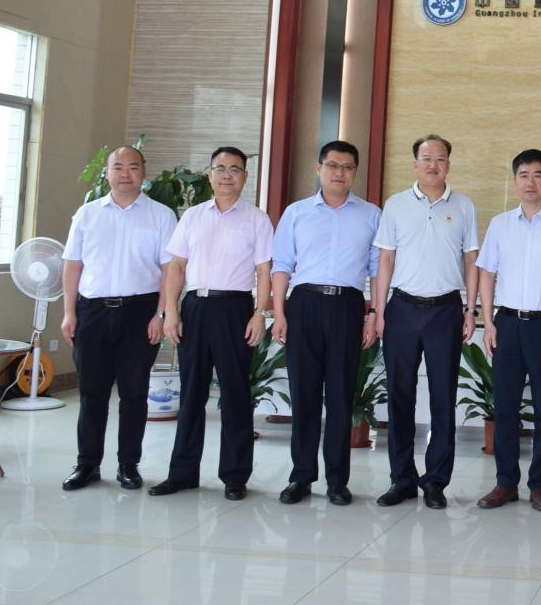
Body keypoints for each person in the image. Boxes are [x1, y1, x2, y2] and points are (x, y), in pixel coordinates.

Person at [148, 147, 273, 501]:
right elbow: (176, 267)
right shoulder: (192, 217)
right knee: (191, 393)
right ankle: (182, 473)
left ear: (245, 177)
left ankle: (235, 476)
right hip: (195, 308)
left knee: (235, 394)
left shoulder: (257, 219)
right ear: (209, 174)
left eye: (235, 169)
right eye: (220, 168)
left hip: (235, 309)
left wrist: (259, 313)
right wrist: (171, 312)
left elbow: (264, 270)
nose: (227, 175)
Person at [271, 140, 381, 506]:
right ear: (319, 169)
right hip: (304, 304)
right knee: (303, 394)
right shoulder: (296, 213)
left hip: (348, 307)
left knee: (340, 395)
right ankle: (301, 477)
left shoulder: (371, 215)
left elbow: (378, 271)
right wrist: (279, 313)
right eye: (332, 165)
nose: (339, 172)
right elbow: (281, 265)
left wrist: (372, 315)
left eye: (347, 167)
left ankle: (337, 481)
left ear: (355, 173)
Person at [59, 146, 176, 491]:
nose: (126, 173)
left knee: (134, 393)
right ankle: (87, 464)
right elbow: (72, 265)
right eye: (118, 167)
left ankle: (129, 464)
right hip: (92, 312)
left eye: (133, 167)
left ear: (144, 172)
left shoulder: (161, 215)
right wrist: (69, 312)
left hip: (140, 312)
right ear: (106, 173)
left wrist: (161, 313)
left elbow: (169, 271)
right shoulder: (87, 214)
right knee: (91, 392)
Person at [371, 134, 478, 510]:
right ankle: (401, 479)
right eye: (427, 158)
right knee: (399, 394)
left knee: (443, 396)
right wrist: (379, 311)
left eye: (440, 158)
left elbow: (471, 261)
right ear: (415, 163)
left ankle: (435, 481)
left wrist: (470, 310)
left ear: (449, 164)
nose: (433, 164)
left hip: (445, 311)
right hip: (401, 309)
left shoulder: (464, 206)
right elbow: (385, 261)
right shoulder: (396, 205)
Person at [475, 149, 541, 513]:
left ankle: (540, 485)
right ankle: (505, 482)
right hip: (506, 323)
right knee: (505, 406)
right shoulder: (500, 224)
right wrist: (488, 321)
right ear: (515, 180)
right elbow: (486, 273)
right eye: (524, 175)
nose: (530, 182)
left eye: (538, 174)